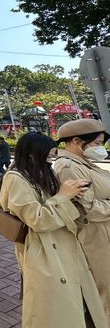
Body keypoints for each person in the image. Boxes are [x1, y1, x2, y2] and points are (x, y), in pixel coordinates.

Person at [0, 132, 106, 328]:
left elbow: (58, 209)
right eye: (48, 154)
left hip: (65, 248)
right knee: (55, 311)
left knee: (81, 306)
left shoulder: (41, 174)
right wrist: (63, 196)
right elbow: (36, 218)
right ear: (32, 154)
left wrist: (76, 200)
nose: (52, 158)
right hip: (43, 252)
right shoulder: (15, 178)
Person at [54, 119, 110, 321]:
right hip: (95, 237)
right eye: (96, 143)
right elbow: (87, 210)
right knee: (104, 292)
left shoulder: (84, 163)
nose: (100, 148)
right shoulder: (69, 167)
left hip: (103, 233)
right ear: (76, 141)